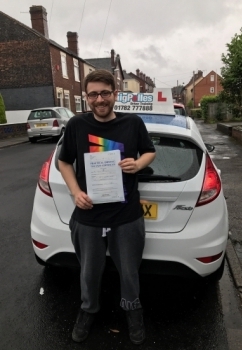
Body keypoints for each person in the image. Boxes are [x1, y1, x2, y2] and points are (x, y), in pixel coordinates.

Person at [58, 69, 156, 345]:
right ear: (86, 97)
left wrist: (138, 164)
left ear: (115, 94)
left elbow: (150, 150)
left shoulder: (133, 123)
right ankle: (88, 309)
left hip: (126, 216)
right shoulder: (76, 125)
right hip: (88, 216)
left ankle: (132, 310)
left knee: (129, 271)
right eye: (93, 94)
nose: (99, 99)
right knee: (88, 272)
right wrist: (76, 192)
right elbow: (63, 162)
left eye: (104, 93)